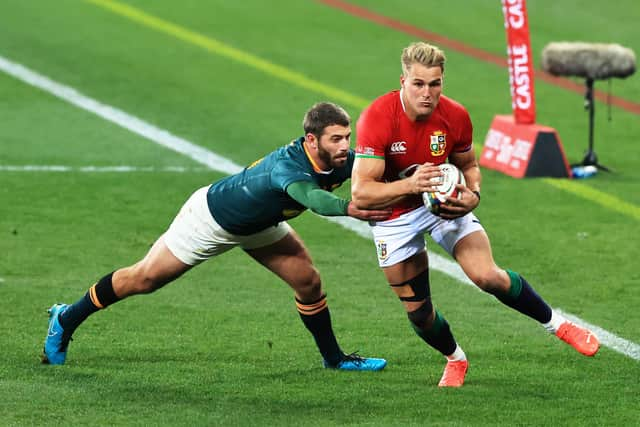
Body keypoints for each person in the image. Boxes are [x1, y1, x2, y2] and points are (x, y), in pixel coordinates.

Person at [43, 102, 390, 371]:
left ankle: (335, 359)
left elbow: (381, 165)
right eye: (336, 139)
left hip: (260, 224)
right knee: (144, 279)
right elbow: (316, 200)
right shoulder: (290, 168)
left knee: (308, 281)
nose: (345, 145)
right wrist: (350, 208)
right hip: (211, 220)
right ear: (311, 140)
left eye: (347, 137)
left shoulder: (342, 159)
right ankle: (67, 318)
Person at [350, 42, 600, 387]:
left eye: (434, 84)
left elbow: (469, 165)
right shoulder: (378, 118)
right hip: (394, 215)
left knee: (487, 276)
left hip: (444, 205)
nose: (427, 93)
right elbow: (362, 191)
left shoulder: (454, 116)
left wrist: (473, 194)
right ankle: (455, 358)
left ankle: (558, 324)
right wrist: (411, 186)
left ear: (442, 81)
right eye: (418, 84)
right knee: (420, 315)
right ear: (403, 81)